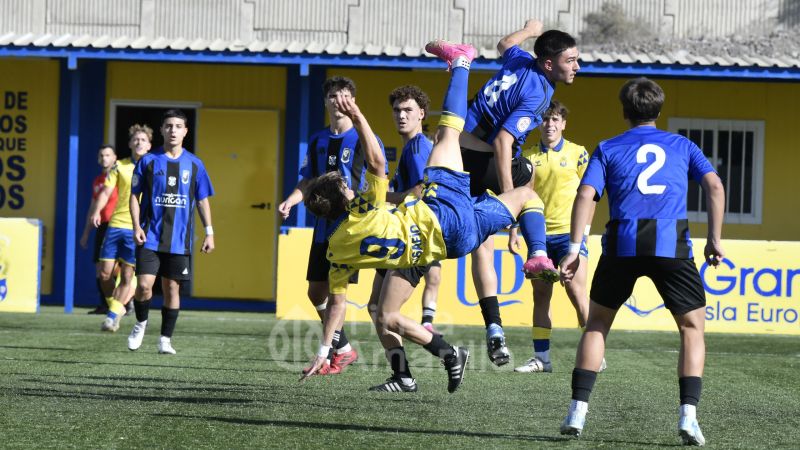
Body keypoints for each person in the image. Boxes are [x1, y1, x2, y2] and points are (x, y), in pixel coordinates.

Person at [301, 40, 555, 394]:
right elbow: (377, 163)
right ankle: (462, 63)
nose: (350, 187)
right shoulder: (365, 206)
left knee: (383, 313)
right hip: (445, 217)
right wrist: (358, 115)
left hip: (445, 246)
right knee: (452, 135)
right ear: (344, 198)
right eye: (344, 187)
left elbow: (338, 303)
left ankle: (439, 358)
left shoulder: (336, 253)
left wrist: (325, 350)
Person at [557, 78, 725, 446]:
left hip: (623, 243)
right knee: (692, 328)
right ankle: (688, 418)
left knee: (598, 323)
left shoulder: (608, 147)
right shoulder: (683, 145)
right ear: (658, 110)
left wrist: (575, 246)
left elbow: (587, 194)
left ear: (624, 111)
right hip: (670, 244)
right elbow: (714, 186)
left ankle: (577, 412)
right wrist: (714, 239)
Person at [458, 19, 580, 365]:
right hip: (480, 156)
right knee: (528, 183)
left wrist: (529, 30)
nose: (577, 67)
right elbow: (503, 141)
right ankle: (538, 253)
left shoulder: (518, 61)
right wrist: (511, 206)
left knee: (481, 243)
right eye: (570, 60)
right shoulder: (540, 93)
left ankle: (494, 329)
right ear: (548, 64)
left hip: (457, 152)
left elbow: (504, 42)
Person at [279, 76, 386, 374]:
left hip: (350, 227)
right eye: (333, 97)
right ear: (326, 101)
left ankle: (328, 356)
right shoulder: (317, 140)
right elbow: (308, 180)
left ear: (352, 102)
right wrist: (291, 200)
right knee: (316, 293)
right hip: (322, 225)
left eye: (345, 97)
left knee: (337, 295)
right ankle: (344, 348)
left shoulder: (364, 137)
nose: (338, 102)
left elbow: (379, 173)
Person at [513, 101, 603, 373]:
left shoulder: (579, 154)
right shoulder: (528, 156)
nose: (549, 125)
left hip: (570, 236)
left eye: (554, 119)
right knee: (541, 296)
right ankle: (542, 359)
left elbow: (592, 195)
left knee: (576, 293)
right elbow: (522, 197)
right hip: (539, 238)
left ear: (563, 123)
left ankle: (595, 353)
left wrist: (584, 233)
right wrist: (514, 230)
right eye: (545, 120)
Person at [367, 85, 442, 392]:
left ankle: (446, 352)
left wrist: (382, 197)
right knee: (375, 309)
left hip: (413, 242)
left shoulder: (420, 148)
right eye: (397, 110)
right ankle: (402, 376)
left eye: (408, 110)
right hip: (398, 239)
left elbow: (422, 192)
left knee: (387, 314)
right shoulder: (411, 148)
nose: (401, 115)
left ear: (421, 114)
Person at [126, 109, 215, 355]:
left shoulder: (195, 164)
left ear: (186, 131)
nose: (173, 130)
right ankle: (140, 323)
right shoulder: (148, 161)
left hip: (179, 241)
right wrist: (135, 226)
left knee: (172, 289)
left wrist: (209, 232)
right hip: (149, 236)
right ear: (162, 130)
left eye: (178, 126)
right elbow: (134, 196)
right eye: (168, 126)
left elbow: (202, 200)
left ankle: (165, 339)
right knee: (144, 286)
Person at [90, 126, 152, 331]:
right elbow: (106, 192)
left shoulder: (155, 165)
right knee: (105, 274)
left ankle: (111, 316)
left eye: (143, 139)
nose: (139, 142)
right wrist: (97, 211)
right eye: (136, 139)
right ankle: (117, 307)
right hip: (116, 225)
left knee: (127, 275)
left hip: (138, 228)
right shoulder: (120, 166)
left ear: (149, 144)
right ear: (130, 143)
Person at [80, 144, 118, 315]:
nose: (104, 158)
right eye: (102, 155)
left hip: (117, 225)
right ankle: (104, 304)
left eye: (108, 155)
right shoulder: (97, 181)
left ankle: (122, 302)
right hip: (101, 226)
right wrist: (86, 233)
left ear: (115, 158)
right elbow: (92, 206)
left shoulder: (120, 177)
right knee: (99, 267)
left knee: (117, 267)